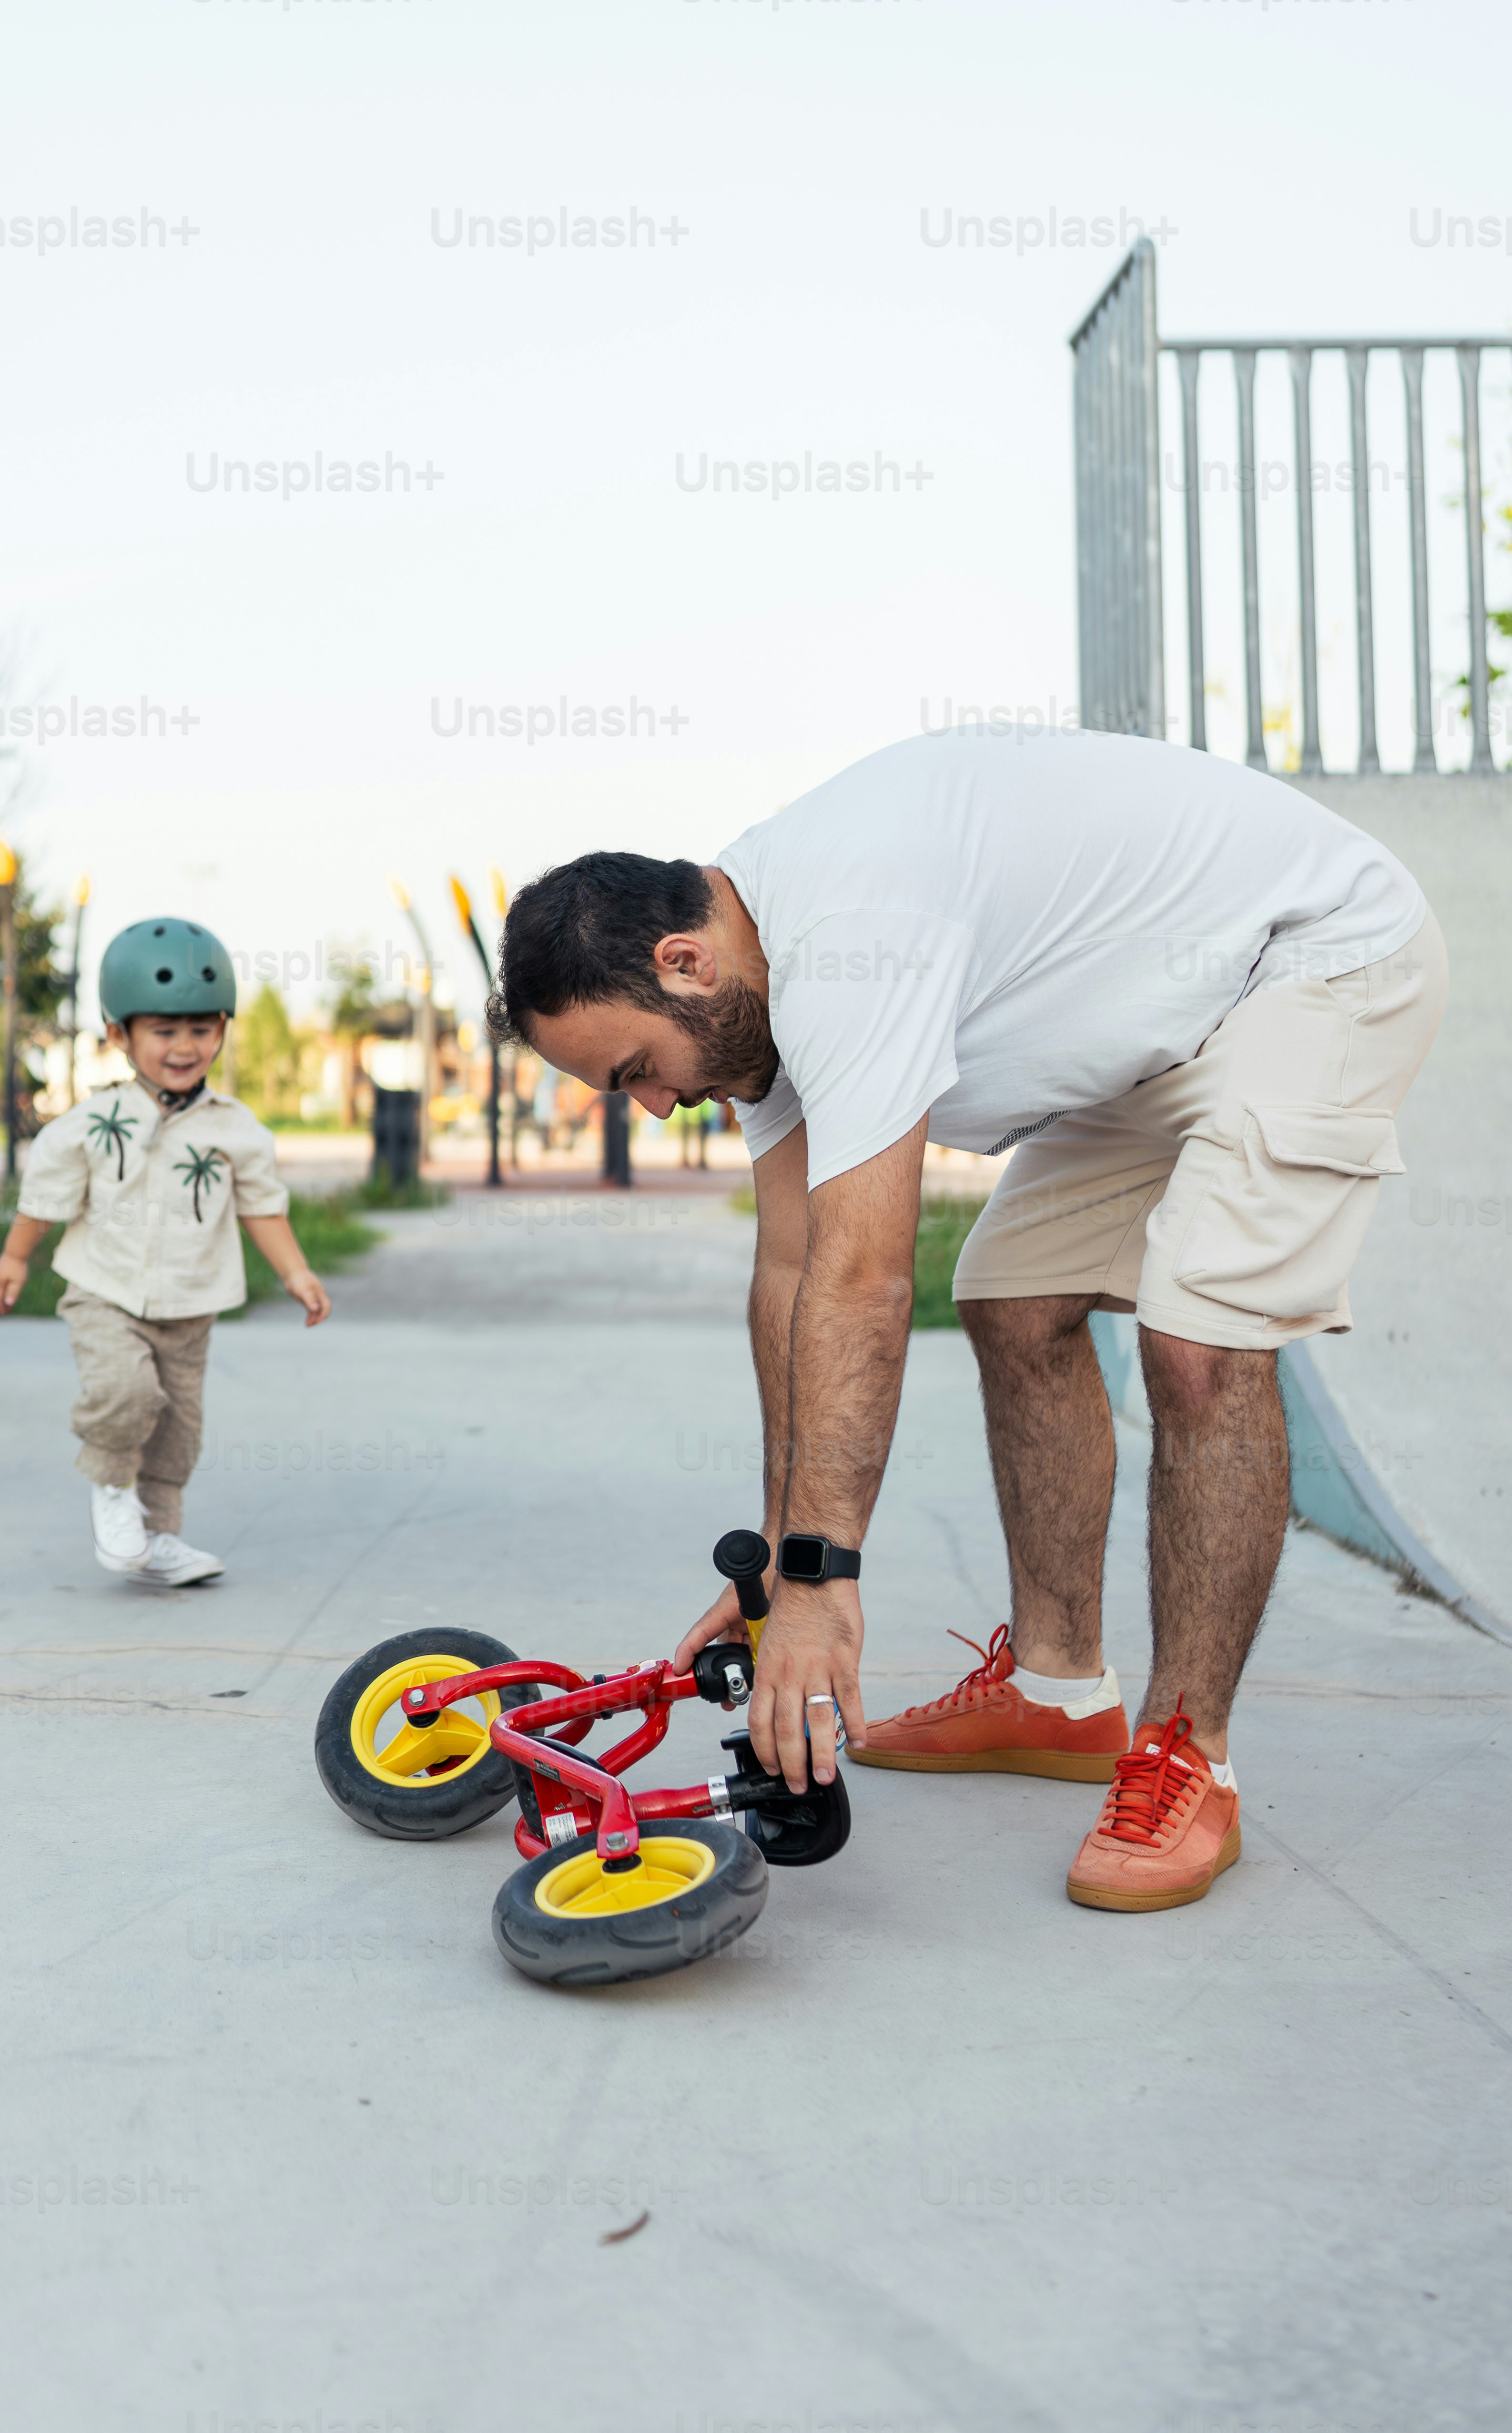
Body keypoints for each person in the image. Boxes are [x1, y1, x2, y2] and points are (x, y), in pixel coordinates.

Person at [487, 727, 1444, 1914]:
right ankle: (1057, 1691)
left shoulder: (848, 941)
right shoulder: (752, 1002)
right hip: (1164, 1025)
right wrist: (779, 1574)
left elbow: (865, 1283)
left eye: (635, 1068)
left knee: (1199, 1338)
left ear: (685, 961)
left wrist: (829, 1585)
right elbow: (790, 1272)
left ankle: (1190, 1752)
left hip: (1313, 964)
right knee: (1012, 1298)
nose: (654, 1104)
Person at [0, 918, 331, 1586]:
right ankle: (112, 1489)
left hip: (190, 1302)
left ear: (223, 1029)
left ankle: (158, 1538)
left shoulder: (236, 1128)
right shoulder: (89, 1123)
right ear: (119, 1035)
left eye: (201, 1030)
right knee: (125, 1392)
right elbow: (46, 1195)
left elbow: (262, 1206)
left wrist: (295, 1271)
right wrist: (14, 1255)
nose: (184, 1047)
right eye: (164, 1031)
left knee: (177, 1426)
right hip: (103, 1289)